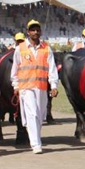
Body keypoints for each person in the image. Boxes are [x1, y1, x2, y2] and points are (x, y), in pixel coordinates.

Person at [11, 19, 59, 154]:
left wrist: (53, 85)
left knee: (39, 115)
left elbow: (52, 69)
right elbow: (15, 70)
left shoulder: (46, 48)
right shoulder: (19, 49)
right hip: (26, 87)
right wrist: (16, 86)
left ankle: (35, 137)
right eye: (32, 30)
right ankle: (36, 143)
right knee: (32, 113)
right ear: (28, 32)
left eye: (37, 30)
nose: (35, 32)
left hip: (41, 87)